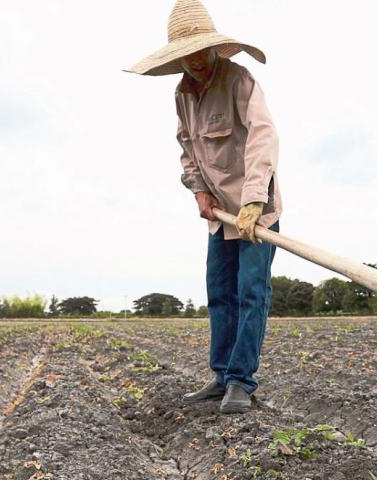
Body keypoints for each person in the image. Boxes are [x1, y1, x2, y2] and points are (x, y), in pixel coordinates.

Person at [129, 0, 282, 413]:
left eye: (200, 51)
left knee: (251, 294)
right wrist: (199, 192)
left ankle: (241, 382)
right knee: (219, 294)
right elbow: (186, 150)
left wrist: (253, 201)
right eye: (186, 55)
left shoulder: (239, 81)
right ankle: (220, 376)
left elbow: (262, 138)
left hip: (255, 213)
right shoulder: (183, 94)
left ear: (214, 47)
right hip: (219, 217)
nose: (194, 61)